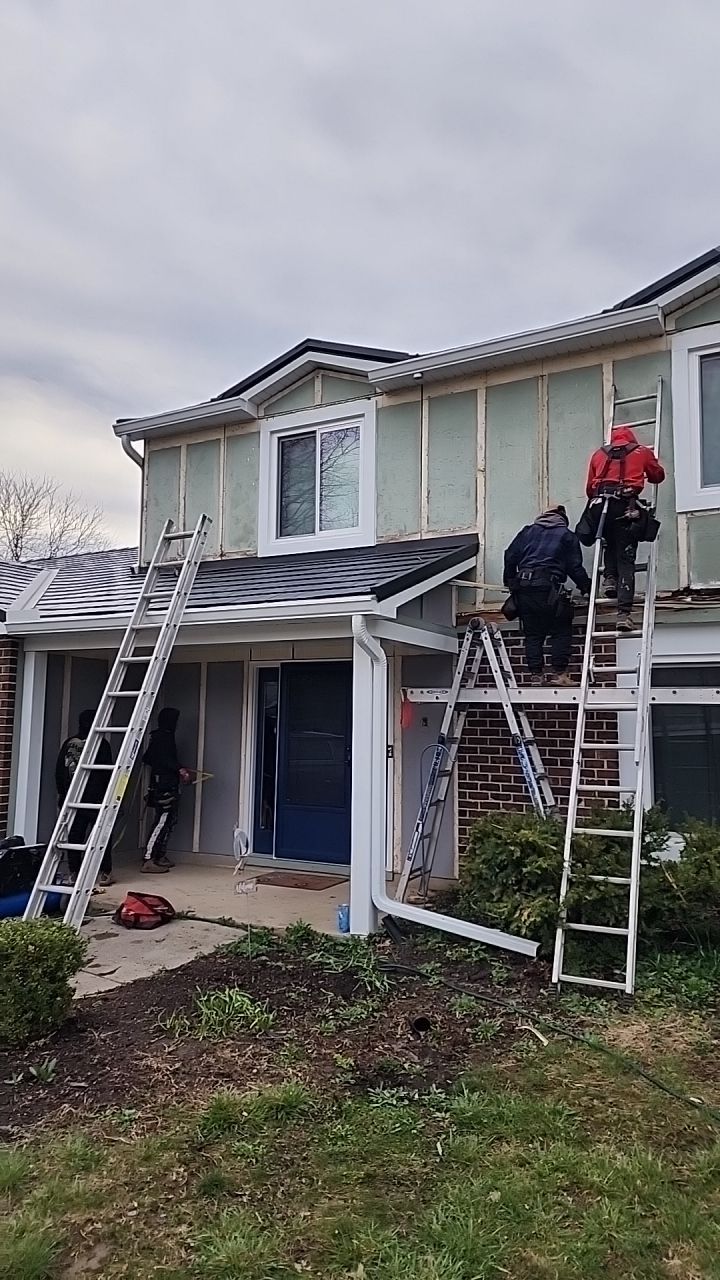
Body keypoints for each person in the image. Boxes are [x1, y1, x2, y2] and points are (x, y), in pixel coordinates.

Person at [585, 425, 665, 629]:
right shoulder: (640, 452)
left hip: (600, 508)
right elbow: (657, 476)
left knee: (609, 542)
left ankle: (610, 579)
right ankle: (623, 615)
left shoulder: (598, 454)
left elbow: (589, 489)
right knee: (626, 558)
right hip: (625, 507)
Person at [503, 504, 591, 686]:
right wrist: (586, 587)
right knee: (560, 629)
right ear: (563, 519)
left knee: (533, 633)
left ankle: (536, 675)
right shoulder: (567, 535)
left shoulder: (527, 532)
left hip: (524, 588)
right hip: (549, 588)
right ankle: (560, 675)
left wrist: (510, 582)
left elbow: (510, 555)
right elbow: (574, 567)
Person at [55, 710, 114, 887]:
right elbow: (106, 773)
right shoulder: (101, 744)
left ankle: (74, 871)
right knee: (102, 835)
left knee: (75, 835)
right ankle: (104, 872)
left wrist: (62, 794)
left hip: (73, 798)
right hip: (95, 799)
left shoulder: (69, 744)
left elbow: (59, 771)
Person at [142, 707, 188, 873]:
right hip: (164, 787)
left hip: (166, 784)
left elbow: (148, 757)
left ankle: (160, 855)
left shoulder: (160, 736)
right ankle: (148, 859)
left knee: (169, 821)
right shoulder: (163, 737)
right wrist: (178, 769)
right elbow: (157, 758)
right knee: (162, 821)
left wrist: (176, 768)